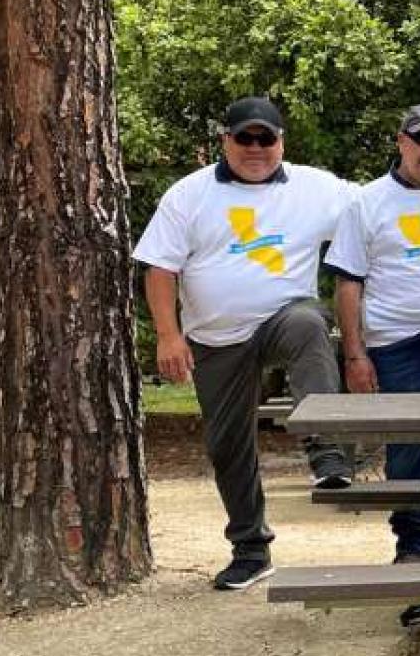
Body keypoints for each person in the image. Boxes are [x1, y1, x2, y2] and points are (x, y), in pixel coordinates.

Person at [133, 97, 357, 591]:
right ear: (225, 141)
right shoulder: (188, 195)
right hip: (215, 337)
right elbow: (160, 268)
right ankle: (251, 548)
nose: (256, 148)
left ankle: (327, 451)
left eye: (266, 138)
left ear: (282, 142)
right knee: (227, 444)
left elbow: (381, 203)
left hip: (280, 317)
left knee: (308, 324)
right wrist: (169, 336)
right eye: (245, 138)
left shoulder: (316, 187)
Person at [325, 104, 420, 627]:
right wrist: (355, 352)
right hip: (396, 336)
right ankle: (414, 553)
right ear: (401, 141)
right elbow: (348, 283)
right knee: (408, 446)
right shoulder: (366, 203)